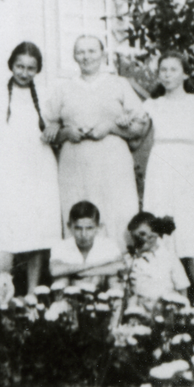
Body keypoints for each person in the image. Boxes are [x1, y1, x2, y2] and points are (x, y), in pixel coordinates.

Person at [42, 35, 150, 252]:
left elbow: (140, 125)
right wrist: (65, 132)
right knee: (79, 212)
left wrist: (111, 127)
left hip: (112, 161)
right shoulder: (63, 88)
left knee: (117, 211)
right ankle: (79, 272)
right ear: (74, 56)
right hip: (75, 163)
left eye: (92, 51)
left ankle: (119, 272)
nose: (86, 57)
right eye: (80, 52)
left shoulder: (118, 84)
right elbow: (48, 128)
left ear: (102, 54)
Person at [0, 42, 61, 303]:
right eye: (20, 66)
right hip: (9, 172)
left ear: (38, 70)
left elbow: (55, 130)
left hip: (40, 170)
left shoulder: (46, 94)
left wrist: (54, 128)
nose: (24, 73)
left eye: (31, 68)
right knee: (6, 227)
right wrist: (9, 154)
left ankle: (33, 293)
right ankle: (1, 294)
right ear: (11, 65)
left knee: (39, 227)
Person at [141, 52, 194, 304]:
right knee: (162, 226)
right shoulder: (152, 104)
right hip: (161, 167)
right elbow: (137, 131)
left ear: (185, 73)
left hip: (189, 168)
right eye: (163, 70)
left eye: (173, 69)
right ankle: (168, 288)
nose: (167, 74)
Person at [49, 201, 125, 292]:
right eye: (78, 228)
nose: (83, 234)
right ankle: (61, 304)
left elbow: (121, 266)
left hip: (100, 289)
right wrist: (95, 264)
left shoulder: (108, 244)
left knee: (114, 279)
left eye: (89, 228)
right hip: (72, 289)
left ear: (98, 227)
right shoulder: (61, 246)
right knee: (61, 279)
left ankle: (115, 305)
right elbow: (55, 270)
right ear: (69, 226)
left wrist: (86, 273)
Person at [122, 211, 191, 310]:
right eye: (135, 237)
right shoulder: (133, 259)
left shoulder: (168, 256)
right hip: (141, 307)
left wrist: (184, 308)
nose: (140, 240)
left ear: (155, 232)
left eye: (143, 234)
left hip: (166, 306)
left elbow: (182, 285)